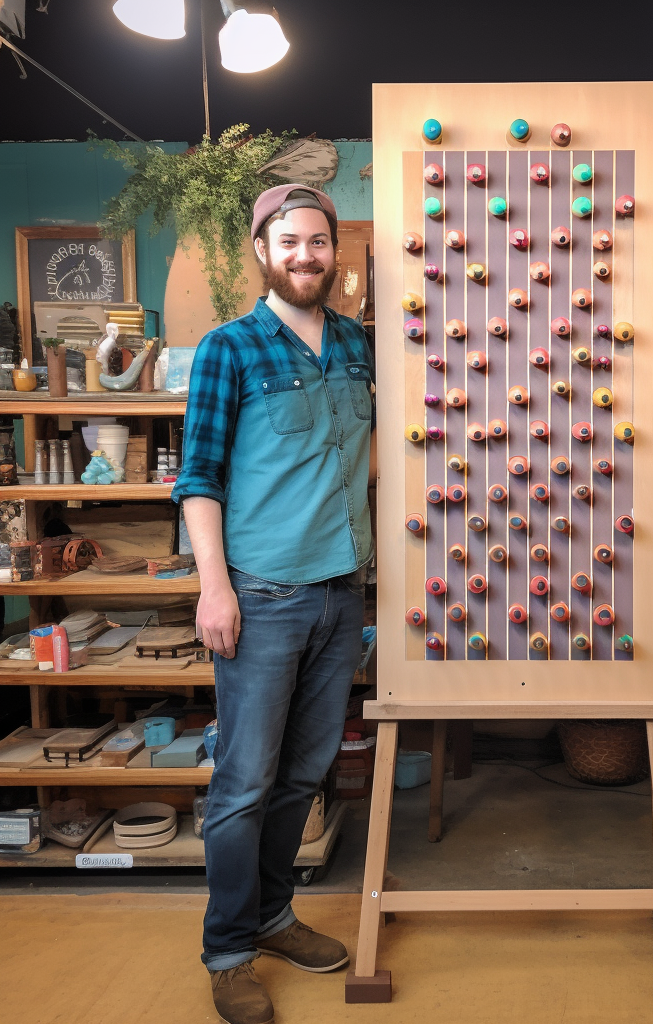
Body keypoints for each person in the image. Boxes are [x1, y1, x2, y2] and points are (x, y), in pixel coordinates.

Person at [173, 184, 374, 1024]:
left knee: (301, 775)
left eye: (319, 242)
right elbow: (199, 477)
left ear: (336, 252)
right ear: (263, 250)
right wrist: (213, 586)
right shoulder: (232, 348)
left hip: (341, 594)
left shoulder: (360, 347)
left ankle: (274, 914)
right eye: (289, 241)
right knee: (244, 782)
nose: (305, 255)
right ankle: (229, 950)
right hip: (263, 596)